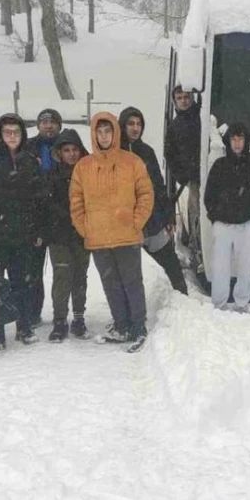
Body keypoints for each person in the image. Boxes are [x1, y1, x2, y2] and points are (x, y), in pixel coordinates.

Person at [70, 112, 154, 353]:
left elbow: (146, 195)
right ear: (94, 134)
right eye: (100, 131)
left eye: (108, 131)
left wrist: (136, 222)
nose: (104, 136)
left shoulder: (132, 162)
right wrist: (85, 228)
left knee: (132, 283)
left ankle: (138, 328)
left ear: (115, 133)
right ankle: (122, 325)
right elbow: (76, 202)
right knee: (111, 285)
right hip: (98, 238)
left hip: (126, 235)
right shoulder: (83, 167)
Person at [0, 113, 43, 350]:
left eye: (16, 132)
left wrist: (36, 230)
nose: (12, 136)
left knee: (21, 283)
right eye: (7, 132)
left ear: (23, 135)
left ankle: (23, 327)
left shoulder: (31, 162)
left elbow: (37, 200)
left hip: (22, 235)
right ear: (0, 135)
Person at [204, 122, 250, 312]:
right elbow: (209, 196)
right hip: (223, 225)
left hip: (246, 226)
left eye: (240, 139)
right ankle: (219, 303)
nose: (236, 143)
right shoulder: (219, 166)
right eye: (233, 139)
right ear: (228, 141)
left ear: (246, 141)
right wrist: (216, 218)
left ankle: (242, 303)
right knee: (220, 267)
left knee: (245, 267)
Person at [119, 106, 188, 295]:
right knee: (132, 273)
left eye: (138, 124)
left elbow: (158, 185)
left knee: (170, 263)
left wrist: (168, 217)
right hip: (126, 224)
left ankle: (184, 303)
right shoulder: (115, 153)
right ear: (122, 126)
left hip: (152, 220)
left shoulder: (147, 151)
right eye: (130, 124)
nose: (135, 128)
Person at [45, 129, 91, 341]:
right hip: (58, 235)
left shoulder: (89, 174)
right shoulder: (52, 175)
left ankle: (79, 317)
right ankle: (59, 320)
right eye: (67, 150)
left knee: (80, 275)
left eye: (75, 150)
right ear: (59, 153)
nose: (71, 154)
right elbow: (45, 205)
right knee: (62, 276)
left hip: (82, 234)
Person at [23, 108, 62, 328]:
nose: (48, 126)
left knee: (63, 270)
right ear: (38, 125)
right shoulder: (27, 148)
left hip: (59, 218)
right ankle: (32, 313)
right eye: (44, 122)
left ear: (59, 125)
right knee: (33, 271)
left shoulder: (68, 145)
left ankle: (62, 314)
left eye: (53, 122)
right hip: (35, 218)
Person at [164, 86, 202, 273]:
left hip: (210, 176)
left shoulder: (202, 117)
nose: (184, 101)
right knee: (195, 217)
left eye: (186, 97)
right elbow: (169, 155)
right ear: (174, 101)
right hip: (192, 181)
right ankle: (196, 254)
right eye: (179, 98)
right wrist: (183, 178)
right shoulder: (174, 126)